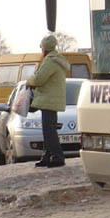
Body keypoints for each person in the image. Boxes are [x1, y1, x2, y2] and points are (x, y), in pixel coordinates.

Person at [26, 34, 71, 168]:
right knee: (48, 129)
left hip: (49, 100)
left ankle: (57, 157)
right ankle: (46, 156)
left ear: (45, 48)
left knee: (49, 130)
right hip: (52, 100)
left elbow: (39, 79)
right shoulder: (56, 59)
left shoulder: (50, 61)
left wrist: (29, 81)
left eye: (41, 47)